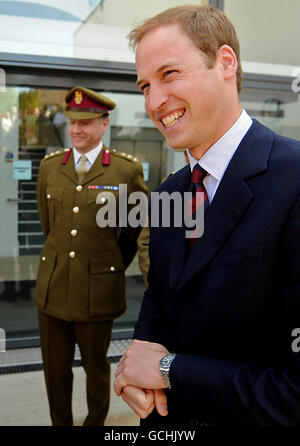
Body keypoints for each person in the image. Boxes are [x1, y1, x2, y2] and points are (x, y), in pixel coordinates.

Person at [114, 5, 300, 426]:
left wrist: (166, 371)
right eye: (144, 85)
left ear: (226, 63)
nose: (154, 101)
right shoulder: (168, 193)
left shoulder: (294, 179)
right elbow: (161, 296)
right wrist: (135, 375)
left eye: (169, 74)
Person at [35, 85, 147, 426]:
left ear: (103, 123)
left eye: (85, 123)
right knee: (55, 372)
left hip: (97, 292)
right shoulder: (50, 167)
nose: (76, 130)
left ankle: (95, 423)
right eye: (72, 123)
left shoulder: (125, 171)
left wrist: (108, 267)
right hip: (53, 289)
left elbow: (135, 230)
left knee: (96, 368)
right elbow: (48, 225)